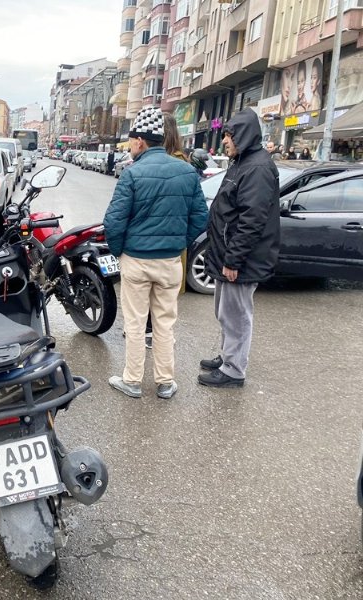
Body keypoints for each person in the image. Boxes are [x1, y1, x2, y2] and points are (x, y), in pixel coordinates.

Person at [104, 106, 208, 400]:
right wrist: (178, 243)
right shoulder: (187, 171)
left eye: (132, 140)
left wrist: (120, 251)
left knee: (136, 323)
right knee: (165, 322)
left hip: (136, 260)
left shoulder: (133, 174)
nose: (130, 146)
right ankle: (165, 382)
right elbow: (201, 217)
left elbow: (113, 221)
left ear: (140, 141)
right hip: (170, 262)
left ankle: (132, 381)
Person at [198, 107, 280, 388]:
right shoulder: (243, 162)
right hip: (229, 256)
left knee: (237, 315)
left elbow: (252, 221)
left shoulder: (257, 167)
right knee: (225, 312)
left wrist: (233, 261)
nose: (224, 141)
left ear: (243, 135)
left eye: (229, 135)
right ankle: (228, 356)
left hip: (241, 261)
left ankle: (234, 370)